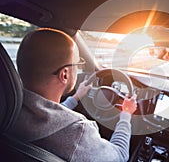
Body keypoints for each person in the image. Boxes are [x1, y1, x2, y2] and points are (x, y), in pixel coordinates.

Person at [8, 28, 137, 162]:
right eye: (78, 63)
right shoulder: (77, 133)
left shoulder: (8, 108)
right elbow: (120, 155)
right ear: (65, 74)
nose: (79, 68)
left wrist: (75, 98)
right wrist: (126, 116)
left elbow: (48, 117)